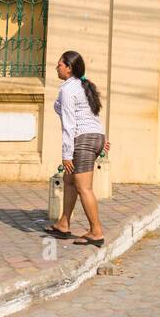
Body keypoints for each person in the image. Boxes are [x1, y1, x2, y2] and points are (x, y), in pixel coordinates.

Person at [45, 51, 109, 248]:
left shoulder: (69, 89)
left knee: (84, 187)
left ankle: (96, 231)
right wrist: (101, 140)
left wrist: (66, 154)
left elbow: (69, 124)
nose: (57, 68)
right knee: (69, 180)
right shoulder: (82, 85)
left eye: (59, 65)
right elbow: (92, 115)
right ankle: (63, 223)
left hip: (83, 139)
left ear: (69, 68)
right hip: (95, 136)